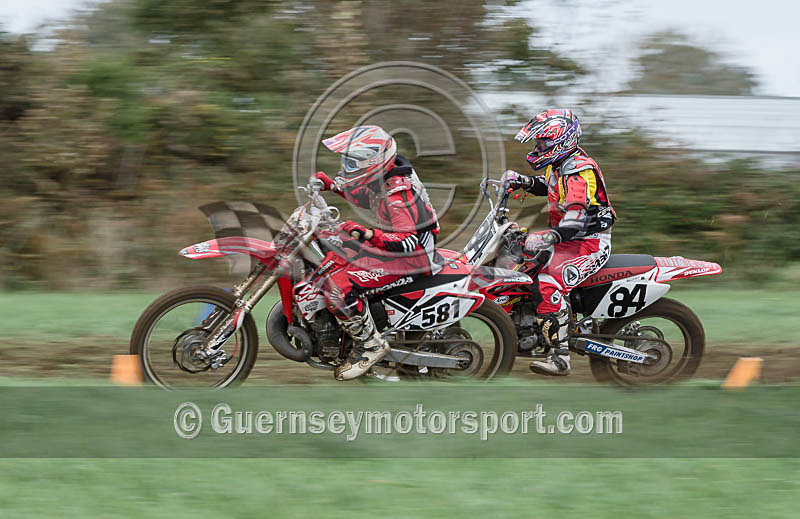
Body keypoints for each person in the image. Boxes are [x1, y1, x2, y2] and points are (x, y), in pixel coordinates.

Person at [302, 125, 440, 380]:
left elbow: (407, 241)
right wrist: (331, 185)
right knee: (333, 256)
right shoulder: (384, 178)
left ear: (374, 161)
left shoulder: (398, 195)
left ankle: (370, 345)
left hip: (412, 257)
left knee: (338, 284)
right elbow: (365, 198)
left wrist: (367, 234)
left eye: (352, 162)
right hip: (397, 250)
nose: (347, 167)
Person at [505, 109, 615, 376]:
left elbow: (575, 213)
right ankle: (523, 330)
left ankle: (561, 356)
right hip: (568, 241)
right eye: (537, 143)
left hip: (589, 244)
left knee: (549, 282)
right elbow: (551, 186)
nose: (538, 148)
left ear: (561, 140)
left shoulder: (580, 170)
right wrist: (523, 182)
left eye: (542, 143)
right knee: (520, 270)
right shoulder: (562, 164)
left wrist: (549, 236)